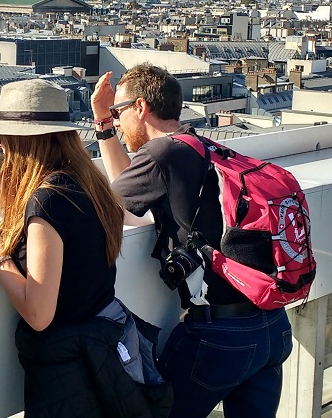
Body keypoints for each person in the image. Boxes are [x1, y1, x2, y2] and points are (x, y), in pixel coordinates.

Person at [0, 78, 171, 418]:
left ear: (21, 142)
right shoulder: (84, 182)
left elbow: (39, 315)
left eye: (0, 138)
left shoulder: (47, 203)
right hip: (102, 347)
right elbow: (25, 201)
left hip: (66, 369)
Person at [91, 63, 292, 418]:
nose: (118, 123)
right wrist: (104, 124)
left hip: (221, 336)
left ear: (141, 107)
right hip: (272, 326)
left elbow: (107, 207)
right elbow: (129, 191)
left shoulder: (162, 153)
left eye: (118, 113)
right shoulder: (199, 147)